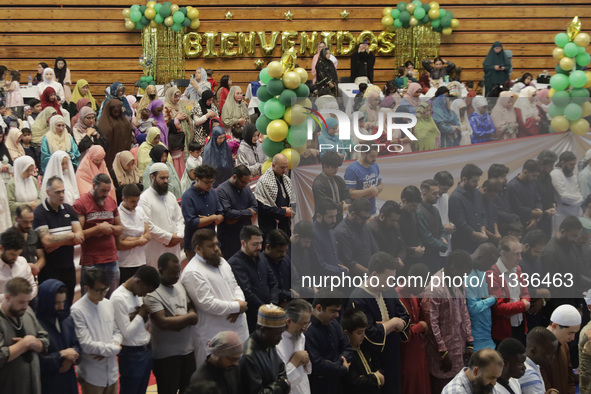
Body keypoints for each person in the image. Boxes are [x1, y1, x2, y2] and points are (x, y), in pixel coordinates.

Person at [181, 229, 248, 365]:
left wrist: (239, 303)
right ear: (199, 249)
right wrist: (235, 307)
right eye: (211, 246)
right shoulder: (193, 272)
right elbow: (206, 303)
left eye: (217, 244)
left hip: (238, 328)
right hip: (213, 334)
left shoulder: (221, 261)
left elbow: (235, 285)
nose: (217, 248)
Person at [346, 252, 409, 393]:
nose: (391, 283)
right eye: (388, 279)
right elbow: (368, 334)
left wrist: (384, 326)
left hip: (393, 353)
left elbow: (404, 316)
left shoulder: (389, 291)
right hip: (374, 359)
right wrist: (392, 324)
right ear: (374, 274)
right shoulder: (358, 298)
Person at [144, 253, 199, 394]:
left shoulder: (179, 285)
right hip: (166, 356)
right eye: (173, 273)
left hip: (187, 351)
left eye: (178, 272)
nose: (176, 275)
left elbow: (192, 311)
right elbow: (163, 322)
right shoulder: (152, 292)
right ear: (161, 270)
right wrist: (188, 317)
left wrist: (181, 319)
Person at [422, 250, 475, 392]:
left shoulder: (458, 281)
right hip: (440, 354)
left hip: (459, 349)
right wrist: (443, 352)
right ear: (453, 268)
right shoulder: (434, 288)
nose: (464, 278)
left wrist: (469, 342)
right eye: (463, 274)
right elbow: (431, 325)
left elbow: (464, 312)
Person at [71, 268, 122, 394]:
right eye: (99, 290)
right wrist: (113, 349)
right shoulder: (77, 310)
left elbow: (117, 331)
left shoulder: (108, 304)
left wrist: (110, 347)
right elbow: (86, 345)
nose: (103, 293)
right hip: (92, 374)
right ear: (87, 288)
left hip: (112, 373)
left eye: (106, 289)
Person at [34, 176, 84, 304]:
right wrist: (70, 236)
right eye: (57, 192)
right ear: (48, 192)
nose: (61, 195)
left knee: (67, 305)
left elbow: (80, 237)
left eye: (63, 191)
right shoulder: (40, 212)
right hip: (50, 271)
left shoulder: (68, 209)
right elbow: (46, 242)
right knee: (50, 307)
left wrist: (57, 241)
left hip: (68, 268)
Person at [110, 266, 160, 394]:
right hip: (131, 354)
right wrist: (141, 314)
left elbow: (142, 326)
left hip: (146, 349)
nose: (145, 295)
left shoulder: (137, 292)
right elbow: (127, 334)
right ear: (138, 282)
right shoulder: (118, 298)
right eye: (145, 291)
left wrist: (142, 317)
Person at [74, 173, 122, 297]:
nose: (105, 194)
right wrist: (99, 228)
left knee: (112, 297)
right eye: (102, 190)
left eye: (107, 191)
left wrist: (110, 228)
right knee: (91, 299)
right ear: (94, 185)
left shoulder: (111, 201)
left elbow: (120, 229)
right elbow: (78, 235)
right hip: (92, 261)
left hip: (111, 258)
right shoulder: (81, 203)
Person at [0, 277, 49, 394]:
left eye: (28, 301)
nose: (25, 306)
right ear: (8, 297)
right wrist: (25, 344)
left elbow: (45, 340)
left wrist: (36, 344)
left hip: (34, 383)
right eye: (21, 302)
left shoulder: (27, 312)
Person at [228, 225, 279, 331]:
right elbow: (247, 291)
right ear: (243, 243)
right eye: (255, 244)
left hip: (268, 311)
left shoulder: (261, 257)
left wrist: (273, 304)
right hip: (251, 316)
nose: (260, 247)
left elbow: (273, 282)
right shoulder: (235, 263)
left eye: (261, 243)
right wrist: (265, 309)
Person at [35, 279, 80, 394]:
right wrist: (61, 355)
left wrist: (71, 357)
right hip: (49, 383)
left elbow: (77, 344)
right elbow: (36, 361)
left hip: (68, 380)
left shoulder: (67, 319)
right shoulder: (36, 325)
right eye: (56, 303)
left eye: (63, 302)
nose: (61, 307)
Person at [305, 291, 353, 394]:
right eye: (333, 311)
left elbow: (348, 349)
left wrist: (336, 364)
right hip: (318, 388)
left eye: (338, 311)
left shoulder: (334, 324)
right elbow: (317, 365)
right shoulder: (307, 330)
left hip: (336, 385)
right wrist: (342, 368)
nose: (337, 315)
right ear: (319, 308)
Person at [139, 163, 184, 268]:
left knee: (175, 276)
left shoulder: (171, 196)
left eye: (167, 178)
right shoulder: (144, 198)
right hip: (156, 248)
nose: (165, 181)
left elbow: (180, 218)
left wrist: (179, 236)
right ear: (152, 177)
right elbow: (147, 225)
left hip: (174, 245)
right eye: (162, 178)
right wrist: (168, 238)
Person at [488, 236, 531, 345]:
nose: (520, 258)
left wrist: (522, 303)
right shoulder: (492, 274)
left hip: (520, 325)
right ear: (503, 253)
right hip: (503, 332)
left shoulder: (517, 269)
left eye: (520, 253)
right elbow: (499, 308)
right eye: (516, 254)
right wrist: (522, 305)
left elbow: (525, 293)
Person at [396, 263, 431, 394]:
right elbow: (400, 334)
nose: (422, 289)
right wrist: (419, 327)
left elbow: (420, 319)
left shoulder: (413, 294)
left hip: (418, 352)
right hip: (406, 354)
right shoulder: (396, 296)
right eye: (421, 285)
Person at [239, 304, 290, 393]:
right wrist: (280, 386)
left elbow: (281, 368)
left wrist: (281, 383)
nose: (280, 338)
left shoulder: (269, 343)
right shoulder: (248, 356)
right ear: (263, 330)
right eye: (278, 334)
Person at [181, 164, 224, 259]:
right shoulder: (187, 196)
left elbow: (221, 214)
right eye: (207, 182)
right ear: (197, 179)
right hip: (195, 245)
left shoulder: (212, 192)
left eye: (212, 182)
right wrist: (212, 218)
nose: (210, 185)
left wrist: (215, 218)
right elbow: (192, 222)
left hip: (212, 241)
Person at [217, 165, 258, 259]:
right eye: (243, 182)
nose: (244, 185)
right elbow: (228, 213)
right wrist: (248, 213)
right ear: (235, 176)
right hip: (229, 237)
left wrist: (238, 217)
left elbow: (255, 207)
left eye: (247, 183)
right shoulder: (222, 190)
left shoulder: (246, 188)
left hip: (246, 234)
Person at [538, 305, 581, 394]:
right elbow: (544, 387)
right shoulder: (538, 350)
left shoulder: (564, 345)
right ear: (555, 326)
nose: (572, 338)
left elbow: (570, 380)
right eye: (570, 333)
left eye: (575, 333)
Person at [341, 309, 385, 394]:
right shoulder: (345, 355)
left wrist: (369, 377)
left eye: (364, 331)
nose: (363, 336)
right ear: (347, 333)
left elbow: (378, 366)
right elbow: (355, 382)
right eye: (359, 333)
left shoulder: (366, 347)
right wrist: (376, 377)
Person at [465, 243, 499, 352]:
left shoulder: (481, 271)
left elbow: (483, 299)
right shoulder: (467, 276)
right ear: (480, 258)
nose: (490, 268)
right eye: (489, 264)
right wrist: (492, 299)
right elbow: (472, 309)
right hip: (476, 337)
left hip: (486, 332)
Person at [275, 299, 313, 394]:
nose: (305, 328)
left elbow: (305, 369)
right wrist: (295, 361)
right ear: (288, 321)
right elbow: (278, 380)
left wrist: (306, 360)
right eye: (303, 324)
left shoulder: (300, 336)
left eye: (307, 323)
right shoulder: (276, 343)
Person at [449, 163, 488, 253]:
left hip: (478, 243)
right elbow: (460, 224)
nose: (477, 184)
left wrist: (483, 231)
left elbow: (483, 214)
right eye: (474, 181)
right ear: (464, 179)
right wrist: (475, 235)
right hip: (463, 246)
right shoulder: (455, 198)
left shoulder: (477, 193)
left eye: (478, 181)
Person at [334, 197, 378, 276]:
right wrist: (371, 274)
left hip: (369, 274)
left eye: (367, 218)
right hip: (353, 279)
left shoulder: (365, 227)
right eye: (363, 218)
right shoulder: (341, 232)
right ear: (353, 214)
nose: (366, 221)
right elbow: (349, 263)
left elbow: (375, 251)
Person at [116, 184, 150, 283]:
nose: (135, 204)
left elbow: (148, 236)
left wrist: (129, 239)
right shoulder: (118, 214)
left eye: (137, 201)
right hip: (125, 264)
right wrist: (140, 240)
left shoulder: (139, 210)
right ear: (123, 199)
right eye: (132, 201)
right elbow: (120, 244)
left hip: (141, 261)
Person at [255, 153, 294, 236]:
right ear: (273, 165)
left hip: (284, 225)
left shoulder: (286, 179)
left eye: (286, 167)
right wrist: (283, 212)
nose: (285, 170)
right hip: (269, 227)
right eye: (282, 167)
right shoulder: (264, 181)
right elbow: (263, 207)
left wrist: (290, 209)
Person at [417, 179, 448, 271]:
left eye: (438, 193)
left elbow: (441, 230)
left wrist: (443, 238)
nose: (438, 196)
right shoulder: (419, 212)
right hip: (425, 258)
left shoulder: (435, 210)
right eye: (434, 193)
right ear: (424, 194)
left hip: (436, 256)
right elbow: (427, 238)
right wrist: (443, 245)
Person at [311, 198, 348, 276]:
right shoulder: (312, 234)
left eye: (335, 216)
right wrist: (341, 271)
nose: (334, 220)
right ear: (319, 215)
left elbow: (334, 255)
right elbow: (319, 265)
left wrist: (340, 266)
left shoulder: (329, 228)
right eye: (331, 217)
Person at [312, 151, 351, 223]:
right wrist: (342, 206)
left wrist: (344, 204)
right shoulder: (318, 183)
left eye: (337, 167)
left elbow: (347, 197)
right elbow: (325, 205)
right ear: (325, 166)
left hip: (338, 219)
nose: (336, 170)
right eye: (333, 167)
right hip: (323, 221)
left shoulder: (339, 180)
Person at [0, 227, 37, 301]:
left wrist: (24, 297)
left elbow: (33, 286)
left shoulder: (22, 262)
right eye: (12, 254)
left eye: (18, 254)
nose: (15, 258)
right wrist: (14, 297)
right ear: (1, 248)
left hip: (24, 305)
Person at [518, 326, 559, 394]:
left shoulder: (530, 366)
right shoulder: (529, 375)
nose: (553, 357)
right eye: (549, 354)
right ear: (533, 351)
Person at [344, 146, 382, 215]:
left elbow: (380, 184)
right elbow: (351, 194)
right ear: (363, 153)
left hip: (372, 210)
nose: (375, 159)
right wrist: (369, 190)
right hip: (358, 213)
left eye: (376, 156)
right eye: (372, 156)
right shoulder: (352, 169)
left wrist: (377, 190)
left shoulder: (375, 165)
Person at [551, 151, 583, 232]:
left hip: (575, 214)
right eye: (571, 164)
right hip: (561, 215)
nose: (573, 167)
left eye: (574, 164)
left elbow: (579, 194)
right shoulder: (555, 174)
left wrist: (576, 201)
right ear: (562, 163)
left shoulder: (572, 176)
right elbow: (564, 197)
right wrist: (578, 200)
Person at [98, 98, 134, 170]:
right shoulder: (105, 121)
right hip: (110, 152)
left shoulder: (123, 120)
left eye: (118, 111)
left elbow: (129, 130)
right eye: (115, 111)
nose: (117, 113)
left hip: (122, 150)